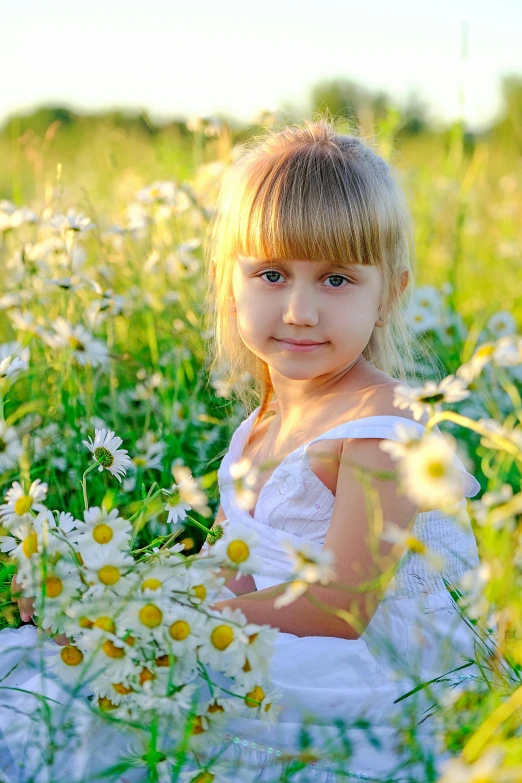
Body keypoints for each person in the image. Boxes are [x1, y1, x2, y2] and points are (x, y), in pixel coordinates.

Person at [0, 118, 481, 783]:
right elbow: (227, 572)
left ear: (388, 295)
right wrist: (103, 600)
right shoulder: (257, 426)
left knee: (136, 714)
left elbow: (339, 606)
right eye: (273, 274)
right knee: (56, 670)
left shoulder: (382, 426)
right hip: (279, 639)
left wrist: (161, 616)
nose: (300, 310)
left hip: (368, 674)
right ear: (231, 283)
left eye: (337, 279)